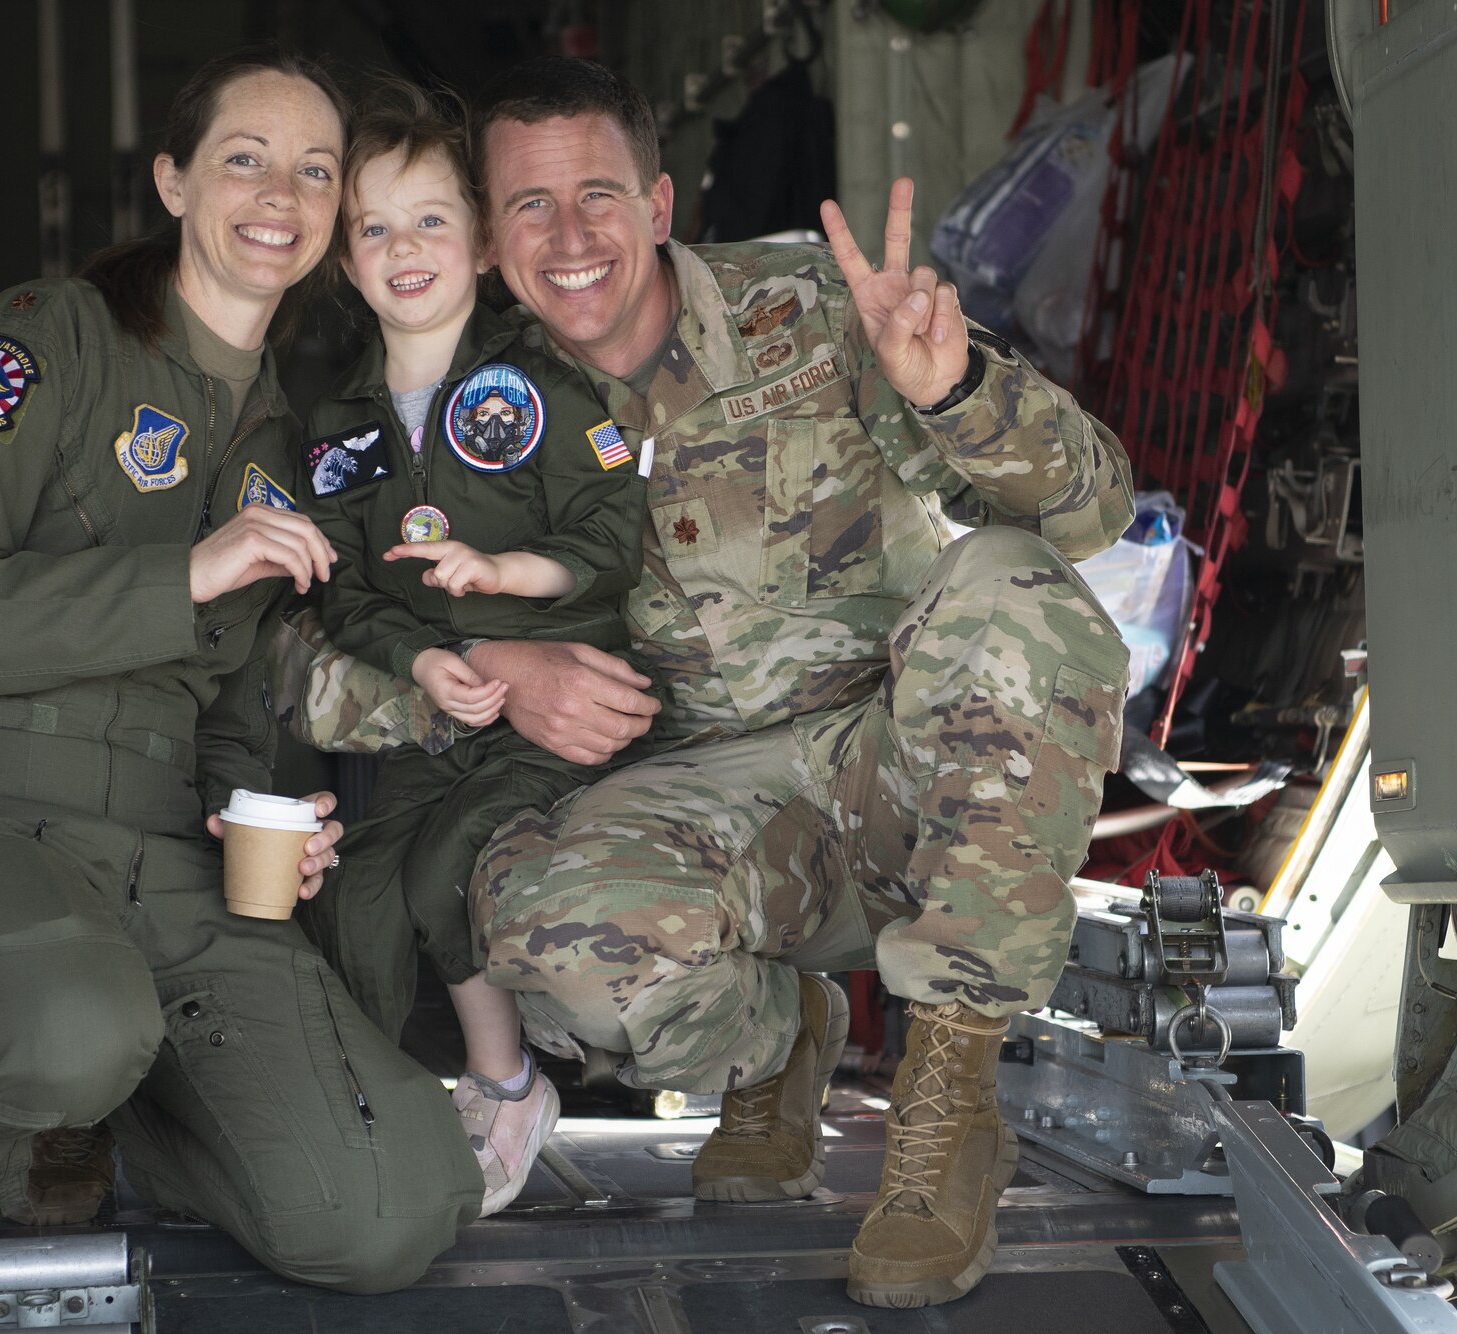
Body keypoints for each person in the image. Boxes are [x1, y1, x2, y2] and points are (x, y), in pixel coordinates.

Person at [291, 58, 1132, 1309]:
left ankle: (946, 1091)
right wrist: (482, 668)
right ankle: (774, 1037)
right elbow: (317, 642)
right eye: (526, 206)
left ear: (661, 202)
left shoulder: (812, 310)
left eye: (598, 196)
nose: (568, 237)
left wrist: (952, 392)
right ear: (485, 234)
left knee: (1010, 588)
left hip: (893, 767)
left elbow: (1092, 506)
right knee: (539, 937)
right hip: (688, 812)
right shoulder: (469, 398)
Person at [0, 48, 481, 1298]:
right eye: (245, 157)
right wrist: (184, 570)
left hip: (162, 852)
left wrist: (261, 817)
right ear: (174, 182)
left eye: (315, 169)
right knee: (69, 1027)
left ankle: (114, 1119)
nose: (279, 190)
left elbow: (231, 709)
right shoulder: (43, 343)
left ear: (338, 216)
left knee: (397, 1199)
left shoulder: (287, 441)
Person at [294, 82, 647, 1217]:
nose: (405, 249)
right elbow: (348, 591)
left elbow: (610, 526)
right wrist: (413, 661)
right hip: (435, 712)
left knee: (448, 869)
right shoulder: (339, 425)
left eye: (431, 219)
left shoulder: (537, 384)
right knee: (355, 900)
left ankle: (505, 1084)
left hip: (548, 715)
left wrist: (511, 579)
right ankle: (380, 1112)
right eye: (375, 228)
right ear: (344, 262)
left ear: (484, 245)